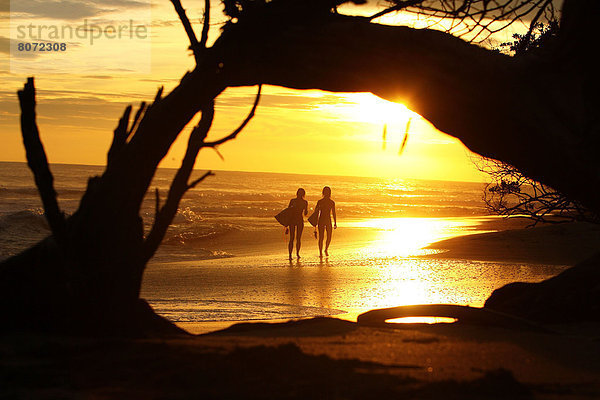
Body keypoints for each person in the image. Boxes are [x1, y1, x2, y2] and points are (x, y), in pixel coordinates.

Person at [314, 186, 337, 257]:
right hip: (322, 220)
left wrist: (335, 222)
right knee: (321, 237)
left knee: (329, 236)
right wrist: (314, 223)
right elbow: (316, 212)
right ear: (324, 193)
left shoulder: (331, 202)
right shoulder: (320, 202)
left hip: (327, 220)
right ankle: (320, 252)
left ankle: (326, 249)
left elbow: (333, 212)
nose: (327, 193)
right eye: (326, 192)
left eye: (328, 192)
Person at [287, 188, 308, 259]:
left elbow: (288, 210)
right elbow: (305, 213)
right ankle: (292, 254)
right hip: (295, 220)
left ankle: (295, 254)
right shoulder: (303, 202)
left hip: (296, 220)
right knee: (294, 238)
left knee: (295, 238)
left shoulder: (294, 201)